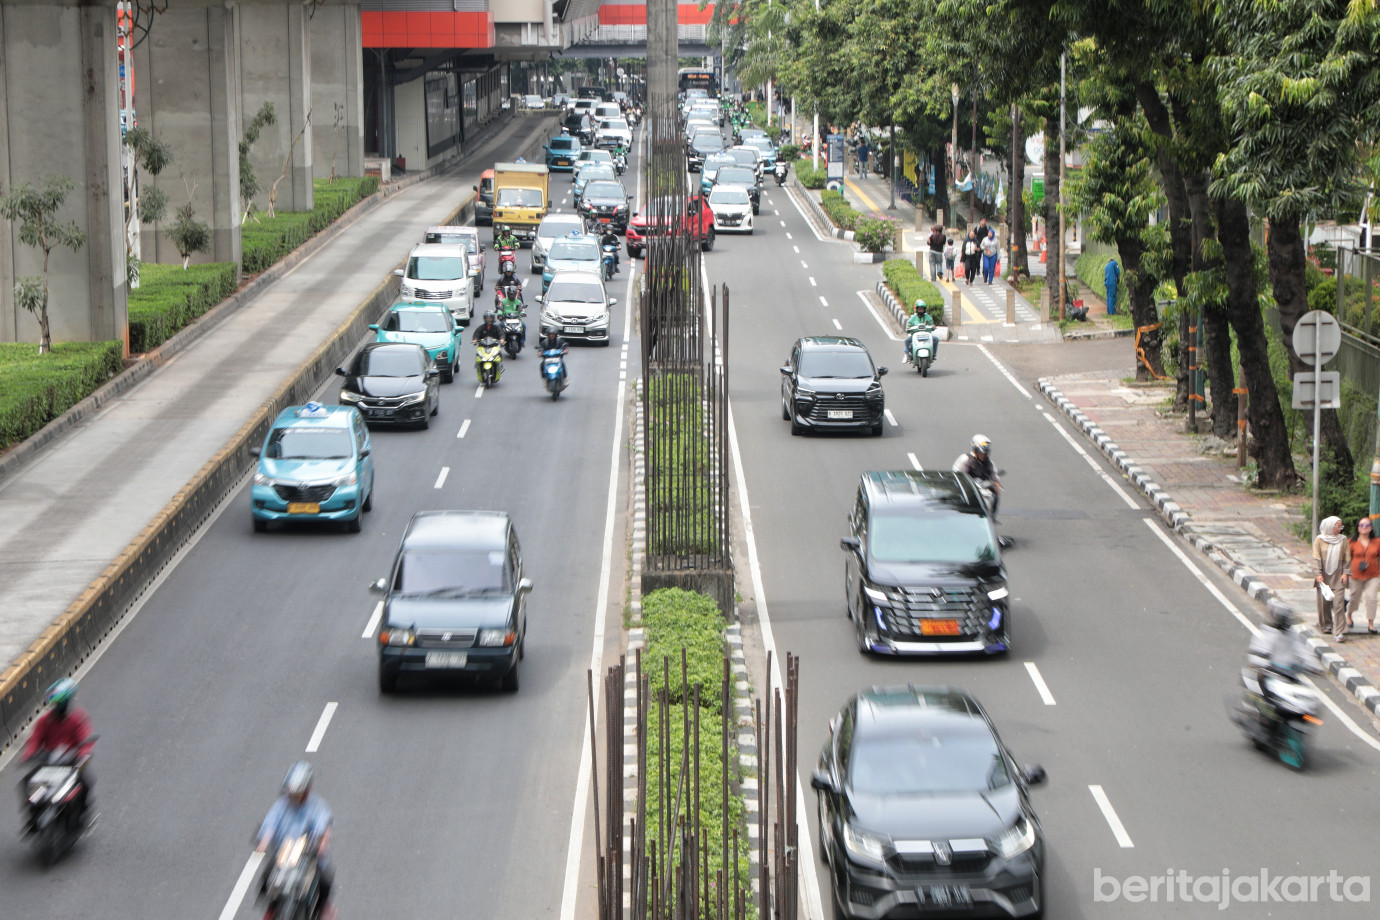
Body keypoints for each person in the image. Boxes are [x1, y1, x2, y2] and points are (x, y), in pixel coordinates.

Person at [256, 761, 334, 916]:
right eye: (292, 793)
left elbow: (324, 826)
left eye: (298, 794)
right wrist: (264, 842)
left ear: (307, 789)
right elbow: (271, 823)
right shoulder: (281, 805)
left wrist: (322, 844)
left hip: (309, 857)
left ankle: (322, 911)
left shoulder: (317, 806)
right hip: (284, 855)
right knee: (267, 876)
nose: (294, 797)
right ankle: (270, 911)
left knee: (325, 883)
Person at [22, 678, 95, 825]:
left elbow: (84, 740)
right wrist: (29, 754)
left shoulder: (77, 719)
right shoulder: (44, 722)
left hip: (71, 763)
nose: (58, 708)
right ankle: (33, 816)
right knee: (28, 784)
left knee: (86, 784)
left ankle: (84, 814)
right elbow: (35, 740)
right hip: (48, 764)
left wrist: (83, 755)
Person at [1247, 603, 1322, 726]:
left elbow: (1304, 653)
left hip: (1288, 674)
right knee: (1264, 694)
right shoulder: (1268, 632)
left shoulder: (1292, 635)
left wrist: (1315, 667)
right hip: (1271, 673)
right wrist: (1260, 663)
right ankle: (1263, 716)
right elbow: (1258, 650)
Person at [1313, 515, 1350, 641]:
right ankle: (1326, 625)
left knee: (1339, 604)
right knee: (1324, 603)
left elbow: (1347, 558)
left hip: (1338, 576)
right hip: (1323, 577)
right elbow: (1316, 558)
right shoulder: (1319, 540)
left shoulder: (1343, 540)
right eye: (1337, 526)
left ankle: (1339, 631)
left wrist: (1346, 573)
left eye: (1341, 526)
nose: (1340, 529)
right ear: (1329, 526)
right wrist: (1318, 574)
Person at [953, 434, 1001, 520]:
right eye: (981, 452)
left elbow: (993, 473)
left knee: (995, 495)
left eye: (984, 453)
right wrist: (965, 481)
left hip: (982, 487)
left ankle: (992, 517)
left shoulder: (989, 462)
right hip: (967, 487)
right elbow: (958, 473)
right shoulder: (966, 459)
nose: (983, 455)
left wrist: (996, 483)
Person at [1350, 517, 1380, 634]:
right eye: (1361, 525)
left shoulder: (1376, 542)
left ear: (1371, 528)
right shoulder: (1352, 542)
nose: (1364, 528)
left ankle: (1370, 623)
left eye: (1366, 525)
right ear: (1358, 528)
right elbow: (1347, 558)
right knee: (1354, 597)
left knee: (1371, 597)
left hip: (1372, 575)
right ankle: (1349, 615)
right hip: (1355, 575)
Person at [903, 300, 938, 365]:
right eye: (919, 309)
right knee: (907, 341)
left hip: (926, 335)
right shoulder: (912, 318)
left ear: (924, 310)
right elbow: (908, 327)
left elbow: (932, 325)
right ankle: (908, 356)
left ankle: (933, 354)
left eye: (922, 309)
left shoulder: (928, 317)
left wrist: (933, 327)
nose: (921, 310)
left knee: (936, 339)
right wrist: (908, 329)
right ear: (916, 309)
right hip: (915, 336)